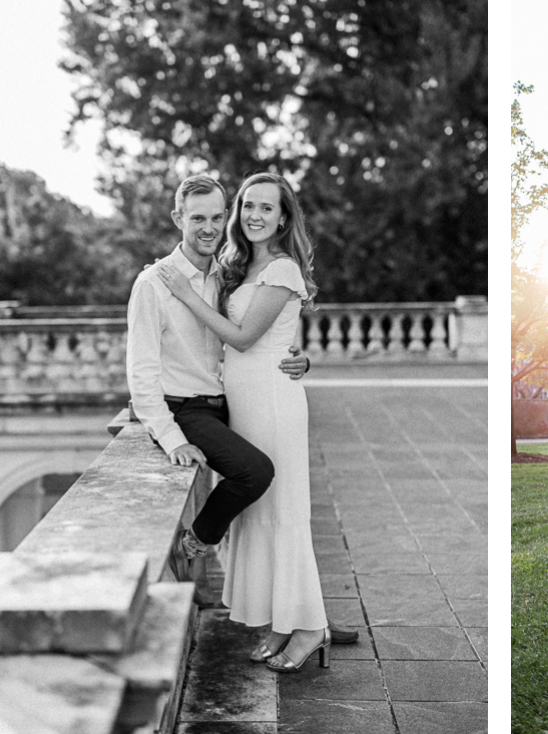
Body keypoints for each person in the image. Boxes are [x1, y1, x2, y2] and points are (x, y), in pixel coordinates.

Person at [158, 172, 334, 673]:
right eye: (248, 205)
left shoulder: (282, 270)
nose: (254, 215)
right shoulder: (235, 264)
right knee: (260, 515)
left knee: (285, 514)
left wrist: (186, 295)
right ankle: (281, 621)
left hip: (274, 402)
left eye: (266, 208)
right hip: (243, 404)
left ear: (283, 217)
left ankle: (309, 627)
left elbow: (242, 338)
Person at [126, 174, 308, 586]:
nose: (208, 228)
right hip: (186, 409)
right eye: (196, 218)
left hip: (227, 401)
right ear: (178, 218)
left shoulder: (226, 275)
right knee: (255, 472)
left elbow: (261, 328)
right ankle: (191, 545)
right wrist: (173, 440)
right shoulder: (154, 284)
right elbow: (141, 373)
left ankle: (297, 606)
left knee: (283, 502)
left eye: (215, 217)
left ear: (226, 216)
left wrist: (297, 358)